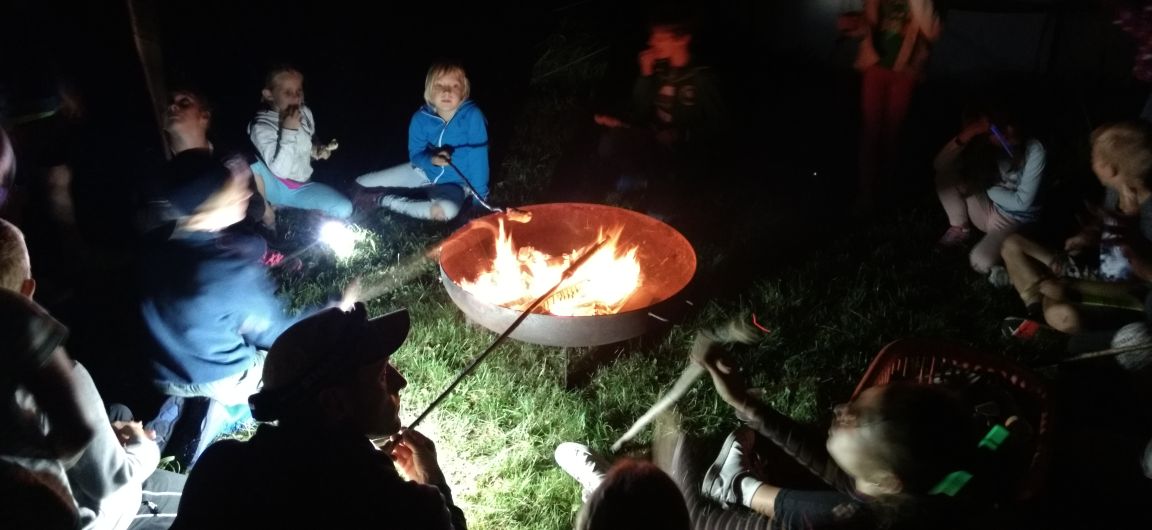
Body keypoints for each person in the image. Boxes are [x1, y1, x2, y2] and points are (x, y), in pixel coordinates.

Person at [172, 304, 467, 529]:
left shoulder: (218, 467)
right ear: (334, 403)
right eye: (380, 376)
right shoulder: (396, 508)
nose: (399, 382)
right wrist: (435, 486)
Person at [2, 217, 185, 529]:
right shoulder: (47, 372)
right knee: (179, 492)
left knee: (119, 411)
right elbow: (112, 483)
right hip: (92, 517)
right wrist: (144, 446)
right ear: (27, 291)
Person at [1000, 121, 1152, 333]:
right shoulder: (1116, 190)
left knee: (1063, 313)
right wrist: (1088, 235)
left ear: (1109, 169)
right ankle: (1037, 309)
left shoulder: (1148, 213)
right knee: (1012, 245)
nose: (1091, 162)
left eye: (1094, 158)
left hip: (1127, 291)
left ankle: (1045, 311)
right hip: (1098, 272)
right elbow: (1107, 226)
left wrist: (1134, 254)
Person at [591, 13, 725, 208]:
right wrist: (645, 75)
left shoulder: (702, 79)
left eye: (660, 37)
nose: (651, 41)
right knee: (611, 141)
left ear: (682, 39)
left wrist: (682, 134)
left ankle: (663, 193)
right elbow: (641, 110)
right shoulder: (661, 72)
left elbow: (720, 126)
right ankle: (643, 180)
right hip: (655, 139)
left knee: (668, 183)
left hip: (684, 150)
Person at [355, 62, 488, 221]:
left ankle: (383, 199)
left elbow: (478, 160)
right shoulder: (420, 118)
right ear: (430, 90)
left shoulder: (472, 116)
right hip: (422, 172)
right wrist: (431, 160)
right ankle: (384, 193)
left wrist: (479, 200)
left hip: (455, 185)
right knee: (361, 183)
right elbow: (416, 155)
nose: (447, 92)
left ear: (464, 90)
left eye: (454, 86)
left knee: (443, 213)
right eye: (440, 85)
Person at [843, 0, 940, 215]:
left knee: (892, 133)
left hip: (904, 71)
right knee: (870, 132)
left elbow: (932, 30)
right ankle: (866, 195)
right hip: (875, 67)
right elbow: (867, 25)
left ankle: (886, 191)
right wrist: (853, 25)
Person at [934, 108, 1045, 276]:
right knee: (946, 174)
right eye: (998, 130)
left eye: (1009, 125)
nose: (1007, 132)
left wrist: (987, 187)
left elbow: (1022, 202)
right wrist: (969, 133)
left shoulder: (1034, 149)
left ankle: (1013, 257)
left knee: (980, 261)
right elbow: (939, 165)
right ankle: (959, 228)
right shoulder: (986, 150)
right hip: (990, 211)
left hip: (1017, 221)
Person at [248, 66, 353, 222]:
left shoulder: (305, 113)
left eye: (299, 91)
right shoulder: (261, 126)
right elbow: (280, 171)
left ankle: (291, 208)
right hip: (276, 186)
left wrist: (316, 149)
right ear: (269, 95)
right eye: (288, 93)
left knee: (345, 208)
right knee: (249, 161)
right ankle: (267, 208)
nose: (296, 98)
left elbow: (310, 139)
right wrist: (288, 130)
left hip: (302, 186)